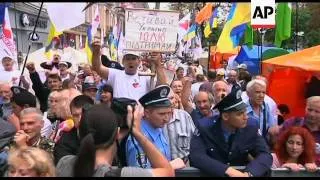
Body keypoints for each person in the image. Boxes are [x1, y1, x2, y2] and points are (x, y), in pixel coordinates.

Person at [56, 103, 174, 177]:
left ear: (80, 133)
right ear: (117, 133)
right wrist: (138, 133)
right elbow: (167, 172)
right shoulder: (122, 174)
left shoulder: (64, 163)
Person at [189, 87, 272, 177]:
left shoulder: (250, 127)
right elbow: (197, 156)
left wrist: (248, 174)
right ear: (225, 116)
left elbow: (265, 155)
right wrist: (228, 171)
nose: (246, 117)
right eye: (240, 114)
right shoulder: (205, 127)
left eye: (245, 112)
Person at [126, 85, 185, 170]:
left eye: (169, 113)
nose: (166, 118)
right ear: (146, 113)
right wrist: (170, 166)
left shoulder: (158, 128)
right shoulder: (138, 139)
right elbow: (142, 174)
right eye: (161, 114)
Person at [91, 41, 167, 101]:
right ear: (123, 62)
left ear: (139, 61)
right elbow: (98, 68)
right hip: (121, 116)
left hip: (140, 116)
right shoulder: (116, 75)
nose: (130, 62)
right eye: (128, 59)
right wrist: (96, 53)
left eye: (133, 59)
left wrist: (158, 65)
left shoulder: (146, 76)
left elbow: (162, 86)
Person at [276, 96, 320, 165]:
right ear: (305, 108)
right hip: (291, 169)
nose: (312, 114)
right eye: (309, 110)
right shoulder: (291, 123)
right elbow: (279, 148)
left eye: (317, 111)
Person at [53, 95, 94, 165]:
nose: (80, 119)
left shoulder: (101, 135)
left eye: (84, 114)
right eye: (76, 115)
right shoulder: (64, 140)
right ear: (71, 116)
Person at [163, 89, 195, 163]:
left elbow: (195, 142)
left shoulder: (184, 116)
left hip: (184, 167)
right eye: (165, 99)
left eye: (171, 98)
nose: (170, 102)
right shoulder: (154, 120)